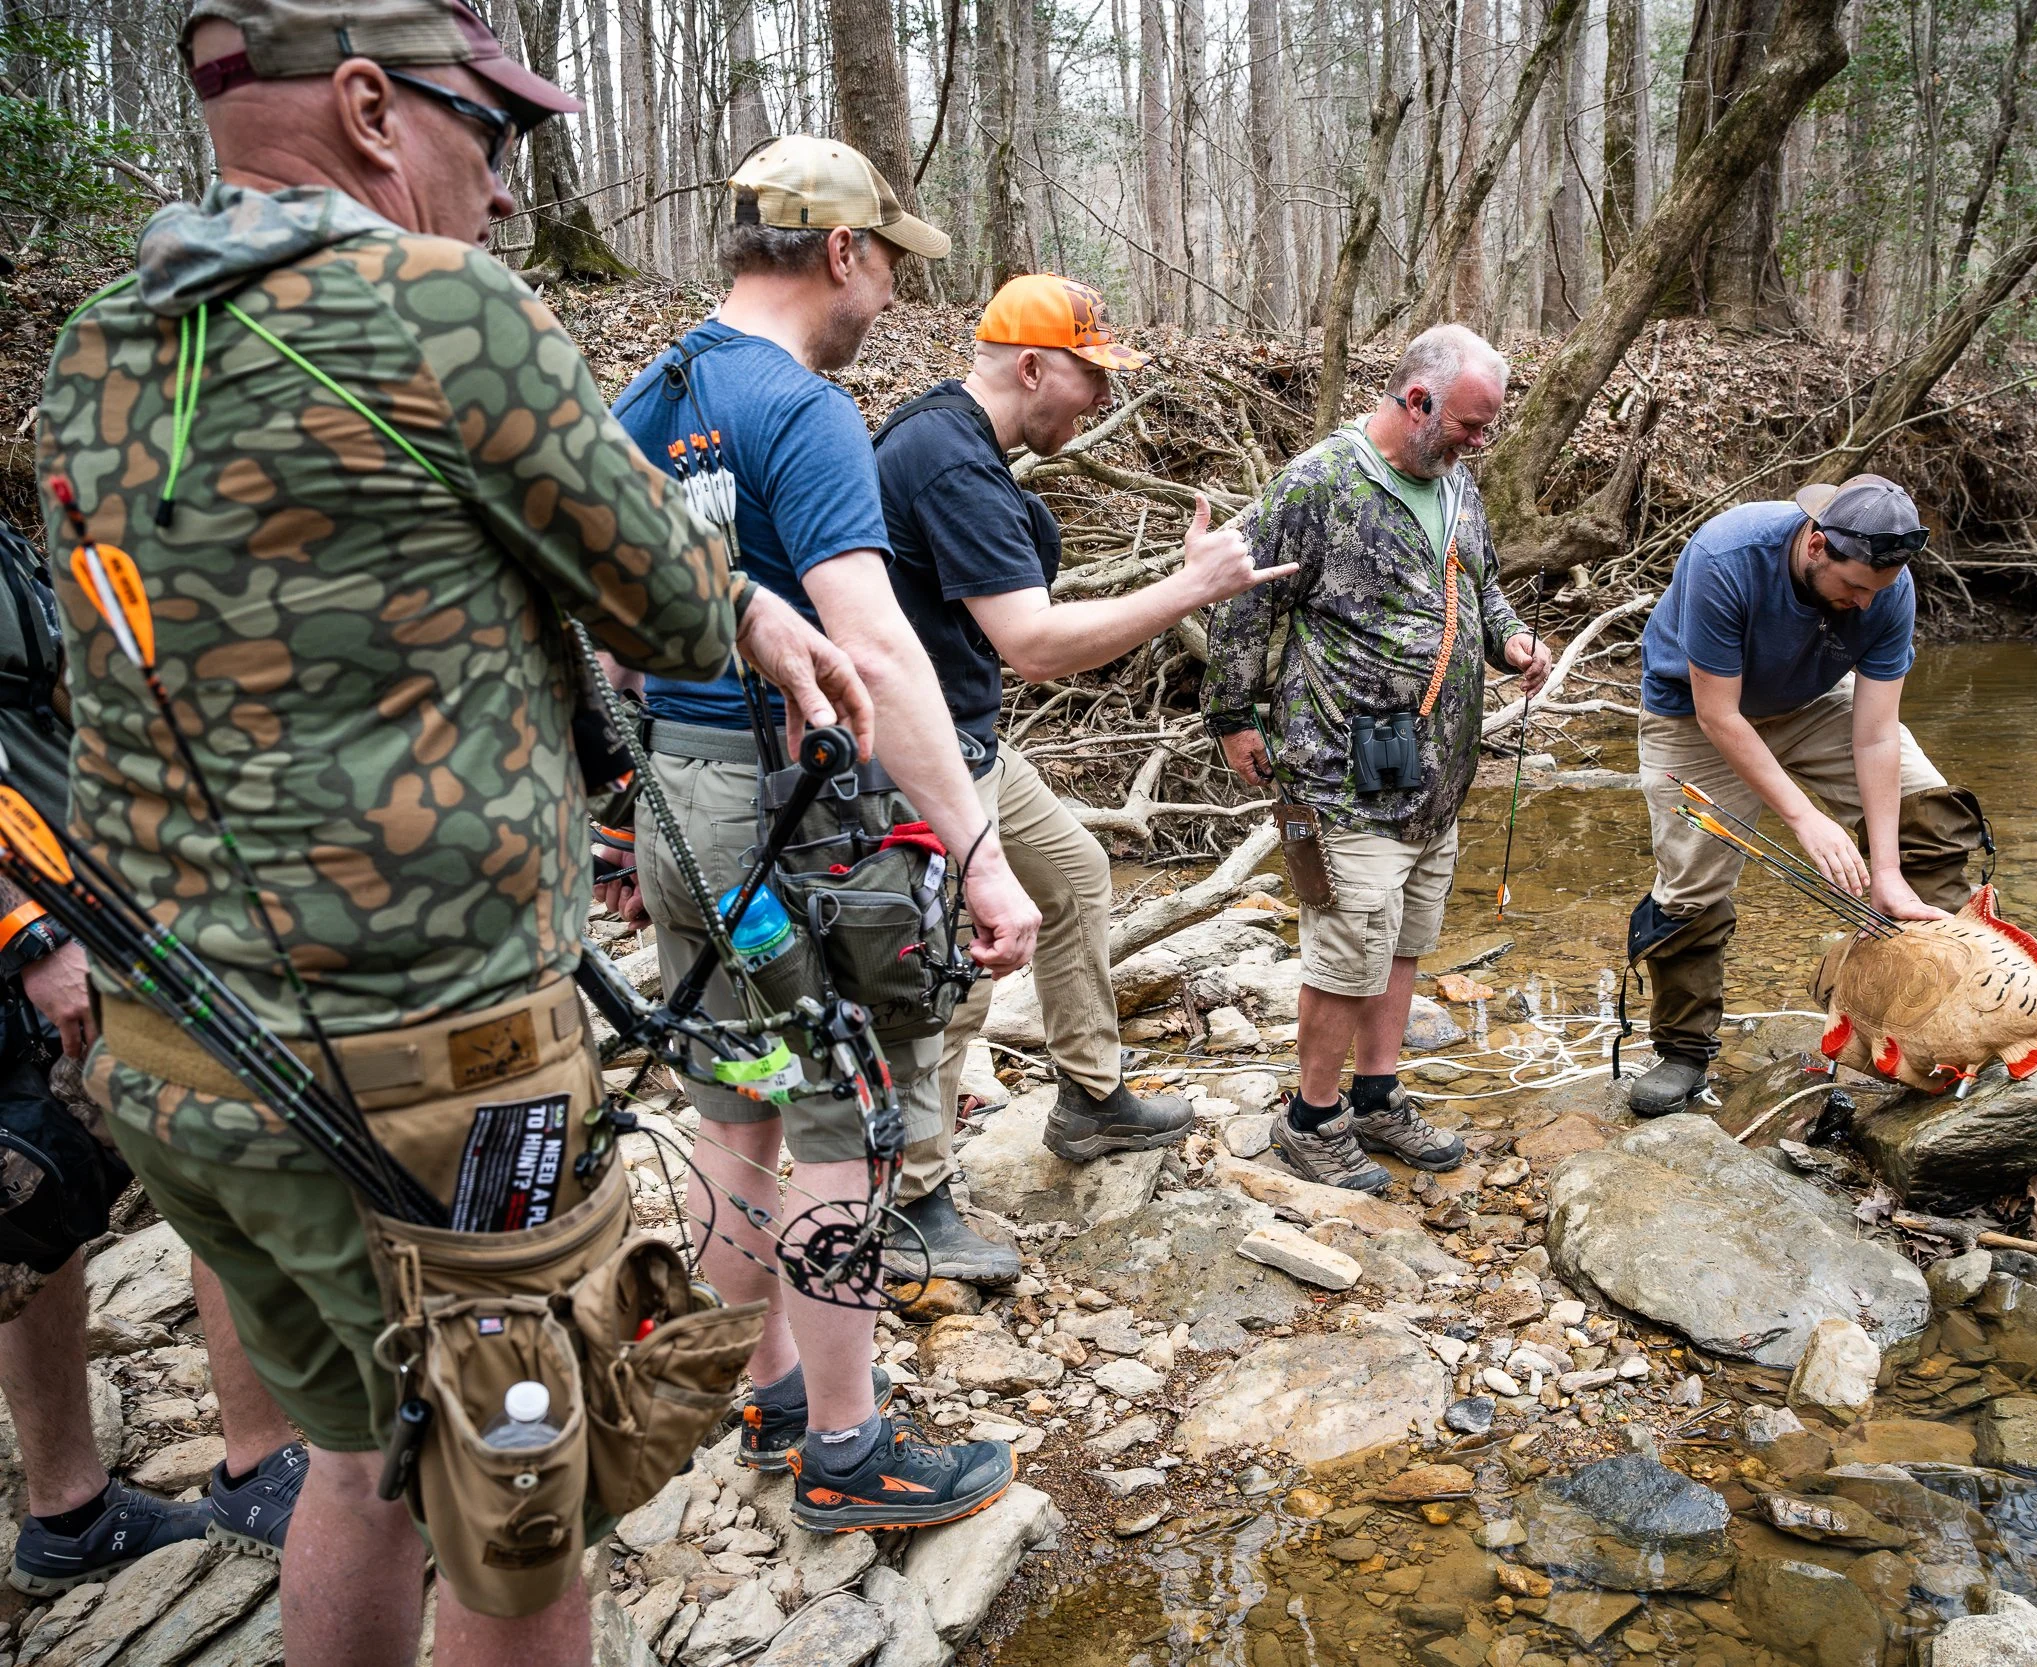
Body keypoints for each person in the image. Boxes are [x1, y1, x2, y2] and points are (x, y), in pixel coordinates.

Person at [37, 5, 869, 1662]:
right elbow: (664, 605)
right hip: (429, 1082)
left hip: (178, 1057)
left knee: (362, 1453)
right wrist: (751, 611)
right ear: (367, 107)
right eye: (487, 138)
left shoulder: (99, 344)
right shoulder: (442, 308)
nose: (501, 190)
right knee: (518, 1519)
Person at [608, 136, 1037, 1528]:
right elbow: (879, 654)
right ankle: (850, 1453)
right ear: (841, 252)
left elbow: (614, 643)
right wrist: (979, 853)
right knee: (841, 1114)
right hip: (792, 820)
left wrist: (641, 821)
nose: (892, 297)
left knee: (739, 1107)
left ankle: (769, 1389)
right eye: (888, 265)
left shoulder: (640, 400)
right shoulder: (804, 412)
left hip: (682, 797)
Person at [872, 273, 1287, 1282]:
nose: (1101, 397)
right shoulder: (949, 462)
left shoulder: (958, 441)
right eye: (1090, 375)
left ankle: (1090, 1098)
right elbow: (1035, 646)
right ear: (1031, 367)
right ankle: (912, 1201)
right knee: (958, 974)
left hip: (965, 735)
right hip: (922, 754)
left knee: (1073, 875)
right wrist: (1188, 587)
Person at [0, 526, 308, 1596]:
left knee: (34, 1197)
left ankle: (69, 1510)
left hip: (83, 885)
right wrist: (28, 930)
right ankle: (262, 1456)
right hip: (49, 925)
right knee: (213, 1119)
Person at [1205, 325, 1554, 1196]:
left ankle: (1375, 1097)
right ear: (1417, 400)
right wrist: (1233, 717)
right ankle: (1310, 1119)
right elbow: (1242, 599)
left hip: (1437, 779)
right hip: (1340, 771)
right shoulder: (1320, 481)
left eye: (1488, 427)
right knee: (1346, 950)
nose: (1480, 442)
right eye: (1470, 424)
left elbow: (1482, 585)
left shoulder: (1458, 482)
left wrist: (1511, 638)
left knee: (1402, 943)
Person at [1623, 475, 1989, 1115]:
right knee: (1690, 885)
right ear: (1816, 545)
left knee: (1928, 810)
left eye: (1878, 591)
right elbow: (1719, 715)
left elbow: (1876, 734)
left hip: (1813, 703)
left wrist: (1885, 871)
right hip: (1694, 714)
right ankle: (1683, 1052)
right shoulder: (1727, 556)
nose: (1866, 603)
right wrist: (1805, 817)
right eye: (1854, 588)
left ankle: (1950, 1023)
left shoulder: (1888, 586)